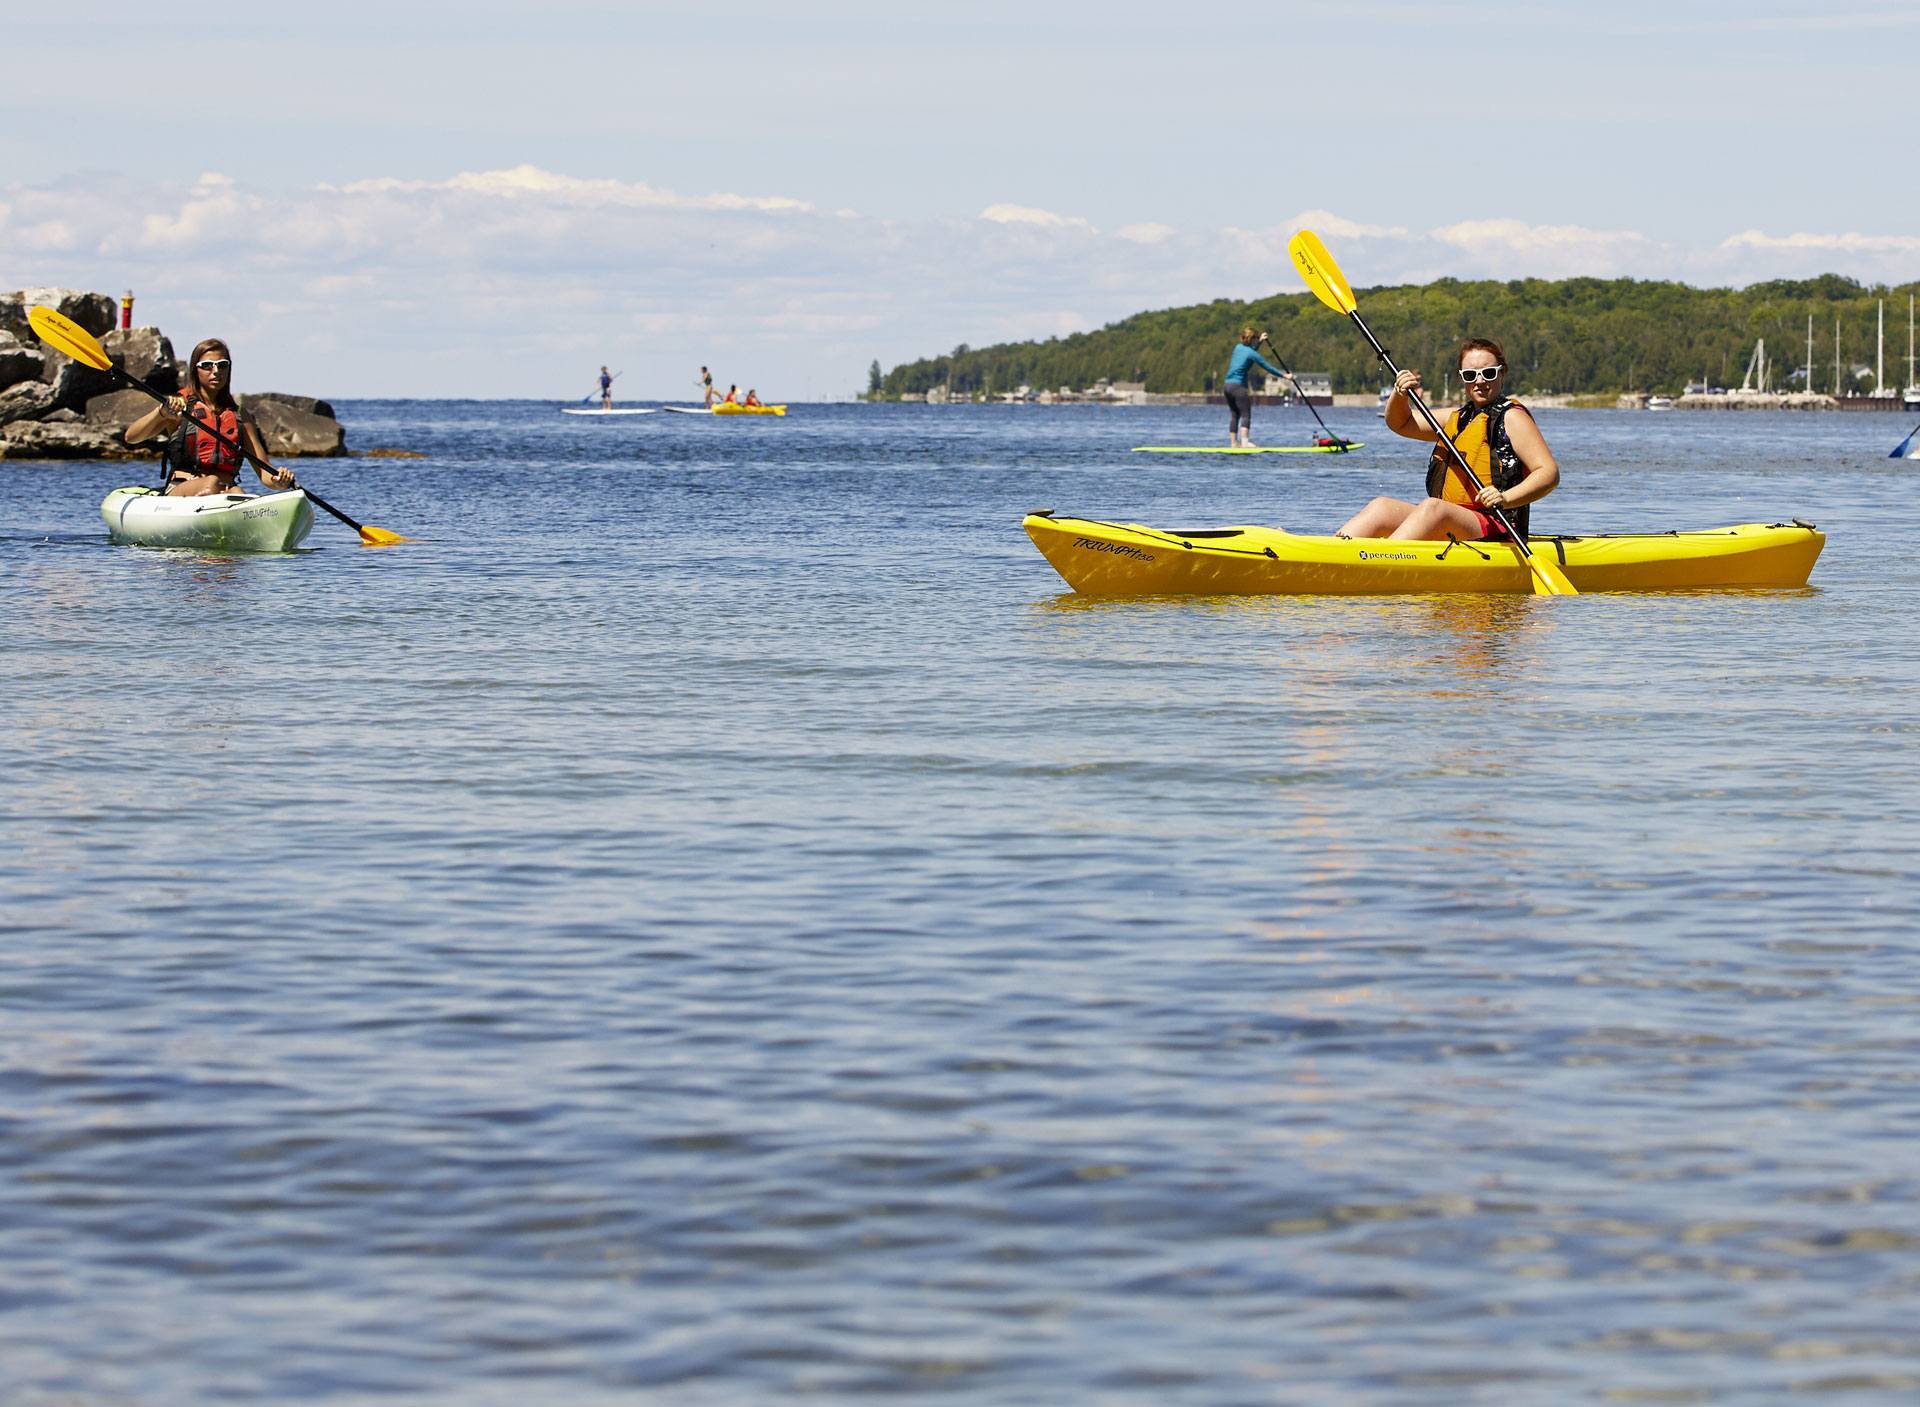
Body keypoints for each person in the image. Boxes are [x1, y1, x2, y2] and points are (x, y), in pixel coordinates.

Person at [1336, 337, 1559, 541]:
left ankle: (1379, 561)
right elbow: (1400, 423)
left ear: (1502, 373)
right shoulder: (1458, 418)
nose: (1480, 381)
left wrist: (1505, 498)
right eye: (1471, 375)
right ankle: (1335, 552)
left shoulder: (1512, 417)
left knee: (1434, 508)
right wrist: (1399, 394)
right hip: (1452, 520)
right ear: (1462, 378)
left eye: (1488, 373)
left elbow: (1548, 473)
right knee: (1381, 507)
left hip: (1498, 524)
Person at [125, 338, 296, 497]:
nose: (216, 371)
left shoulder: (240, 415)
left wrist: (278, 481)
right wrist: (161, 413)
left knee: (237, 491)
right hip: (181, 489)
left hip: (225, 491)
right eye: (207, 365)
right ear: (195, 369)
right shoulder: (180, 407)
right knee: (212, 482)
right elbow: (131, 437)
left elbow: (264, 472)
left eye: (222, 365)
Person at [1222, 326, 1288, 448]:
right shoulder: (1252, 353)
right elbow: (1268, 367)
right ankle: (1245, 443)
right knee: (1246, 414)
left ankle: (1233, 444)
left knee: (1234, 414)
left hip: (1227, 386)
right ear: (1252, 339)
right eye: (1256, 338)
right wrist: (1285, 376)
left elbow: (1249, 353)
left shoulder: (1237, 347)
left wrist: (1260, 341)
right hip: (1238, 387)